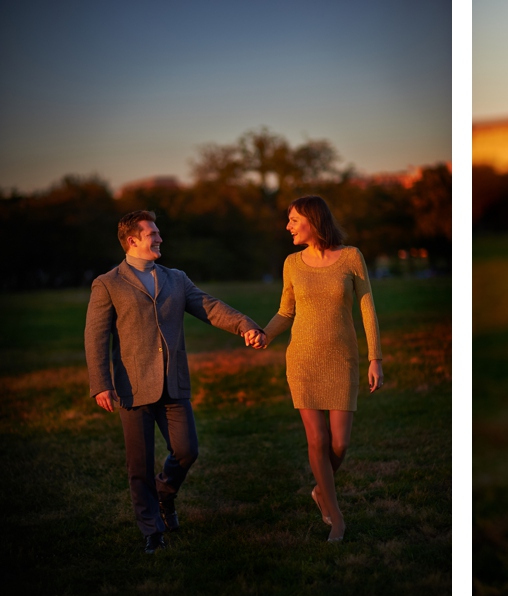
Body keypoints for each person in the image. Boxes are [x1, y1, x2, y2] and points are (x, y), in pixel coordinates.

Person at [85, 210, 265, 554]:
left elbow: (209, 307)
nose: (160, 238)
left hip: (174, 383)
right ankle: (151, 530)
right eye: (153, 233)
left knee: (187, 450)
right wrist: (100, 383)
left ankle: (164, 495)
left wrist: (245, 325)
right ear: (132, 240)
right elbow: (95, 337)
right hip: (131, 388)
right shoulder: (107, 283)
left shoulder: (176, 278)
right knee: (139, 465)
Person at [259, 196, 383, 543]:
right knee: (317, 440)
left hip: (342, 359)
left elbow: (367, 309)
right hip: (302, 360)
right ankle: (337, 517)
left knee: (340, 443)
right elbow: (286, 311)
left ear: (314, 220)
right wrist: (265, 334)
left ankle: (320, 491)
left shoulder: (351, 257)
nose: (288, 226)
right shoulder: (291, 264)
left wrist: (376, 358)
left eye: (294, 220)